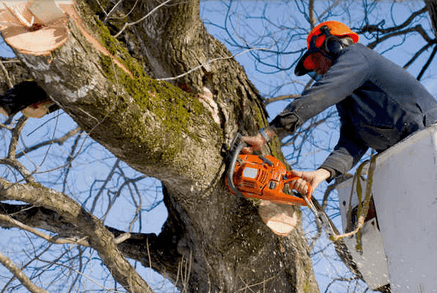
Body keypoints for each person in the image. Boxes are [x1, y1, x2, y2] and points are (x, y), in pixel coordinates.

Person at [243, 20, 437, 195]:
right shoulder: (349, 98)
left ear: (333, 45)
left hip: (429, 137)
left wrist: (268, 133)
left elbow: (323, 92)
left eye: (317, 60)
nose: (317, 70)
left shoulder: (357, 56)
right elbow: (353, 140)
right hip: (411, 154)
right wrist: (322, 173)